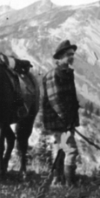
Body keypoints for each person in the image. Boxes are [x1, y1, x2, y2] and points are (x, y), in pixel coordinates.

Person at [35, 39, 80, 185]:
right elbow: (55, 100)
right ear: (60, 57)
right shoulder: (54, 75)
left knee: (60, 150)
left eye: (72, 54)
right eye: (68, 54)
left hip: (64, 120)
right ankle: (70, 184)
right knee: (71, 151)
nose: (71, 57)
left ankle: (57, 180)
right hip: (60, 121)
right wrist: (66, 120)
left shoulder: (66, 73)